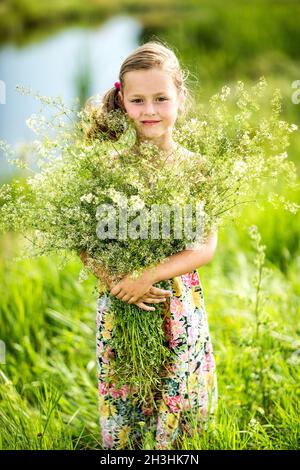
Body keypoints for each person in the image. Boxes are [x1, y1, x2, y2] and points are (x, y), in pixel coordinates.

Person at [80, 40, 218, 450]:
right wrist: (118, 281)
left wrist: (148, 275)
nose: (150, 111)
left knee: (176, 393)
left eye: (161, 98)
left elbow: (205, 248)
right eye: (138, 100)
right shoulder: (105, 168)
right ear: (122, 102)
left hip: (175, 298)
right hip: (122, 300)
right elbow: (85, 244)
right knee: (128, 394)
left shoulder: (197, 168)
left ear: (180, 97)